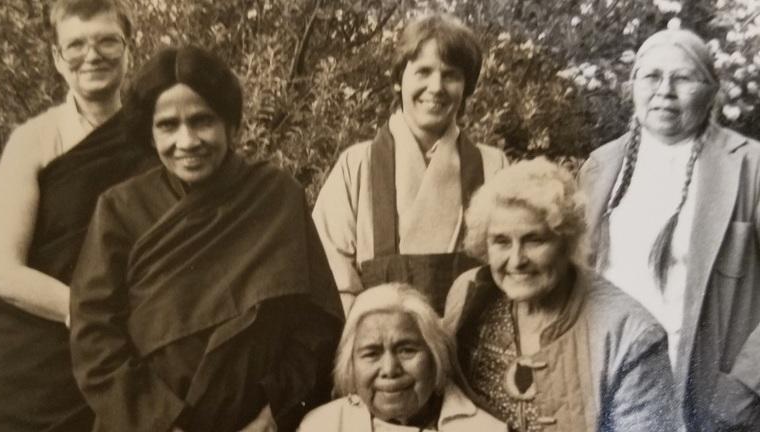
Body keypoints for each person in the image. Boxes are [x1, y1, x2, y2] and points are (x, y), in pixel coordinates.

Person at [69, 46, 344, 432]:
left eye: (202, 120)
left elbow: (318, 325)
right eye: (168, 125)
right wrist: (161, 424)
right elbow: (94, 339)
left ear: (230, 125)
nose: (187, 141)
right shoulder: (119, 209)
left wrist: (272, 414)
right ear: (149, 133)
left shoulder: (276, 196)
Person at [580, 29, 760, 431]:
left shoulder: (751, 166)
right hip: (610, 388)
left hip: (708, 398)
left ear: (711, 91)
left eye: (683, 78)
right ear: (632, 86)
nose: (665, 91)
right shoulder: (599, 166)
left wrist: (746, 386)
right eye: (652, 76)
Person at [0, 1, 155, 430]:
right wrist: (92, 315)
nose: (92, 55)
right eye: (76, 45)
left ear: (129, 48)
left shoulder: (156, 139)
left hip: (124, 355)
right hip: (34, 360)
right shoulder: (32, 141)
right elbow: (1, 270)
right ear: (57, 58)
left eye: (107, 41)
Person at [445, 158, 678, 431]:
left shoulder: (631, 336)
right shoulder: (468, 294)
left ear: (567, 241)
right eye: (501, 241)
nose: (516, 260)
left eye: (534, 240)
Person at [312, 14, 508, 314]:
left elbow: (512, 267)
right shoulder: (356, 164)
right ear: (398, 79)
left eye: (451, 75)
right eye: (423, 72)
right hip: (375, 336)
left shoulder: (494, 166)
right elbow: (329, 277)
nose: (436, 87)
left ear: (466, 87)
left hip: (472, 338)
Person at [298, 283, 507, 431]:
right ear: (350, 366)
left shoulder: (485, 429)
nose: (390, 369)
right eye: (372, 353)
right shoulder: (322, 426)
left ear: (435, 356)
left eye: (406, 350)